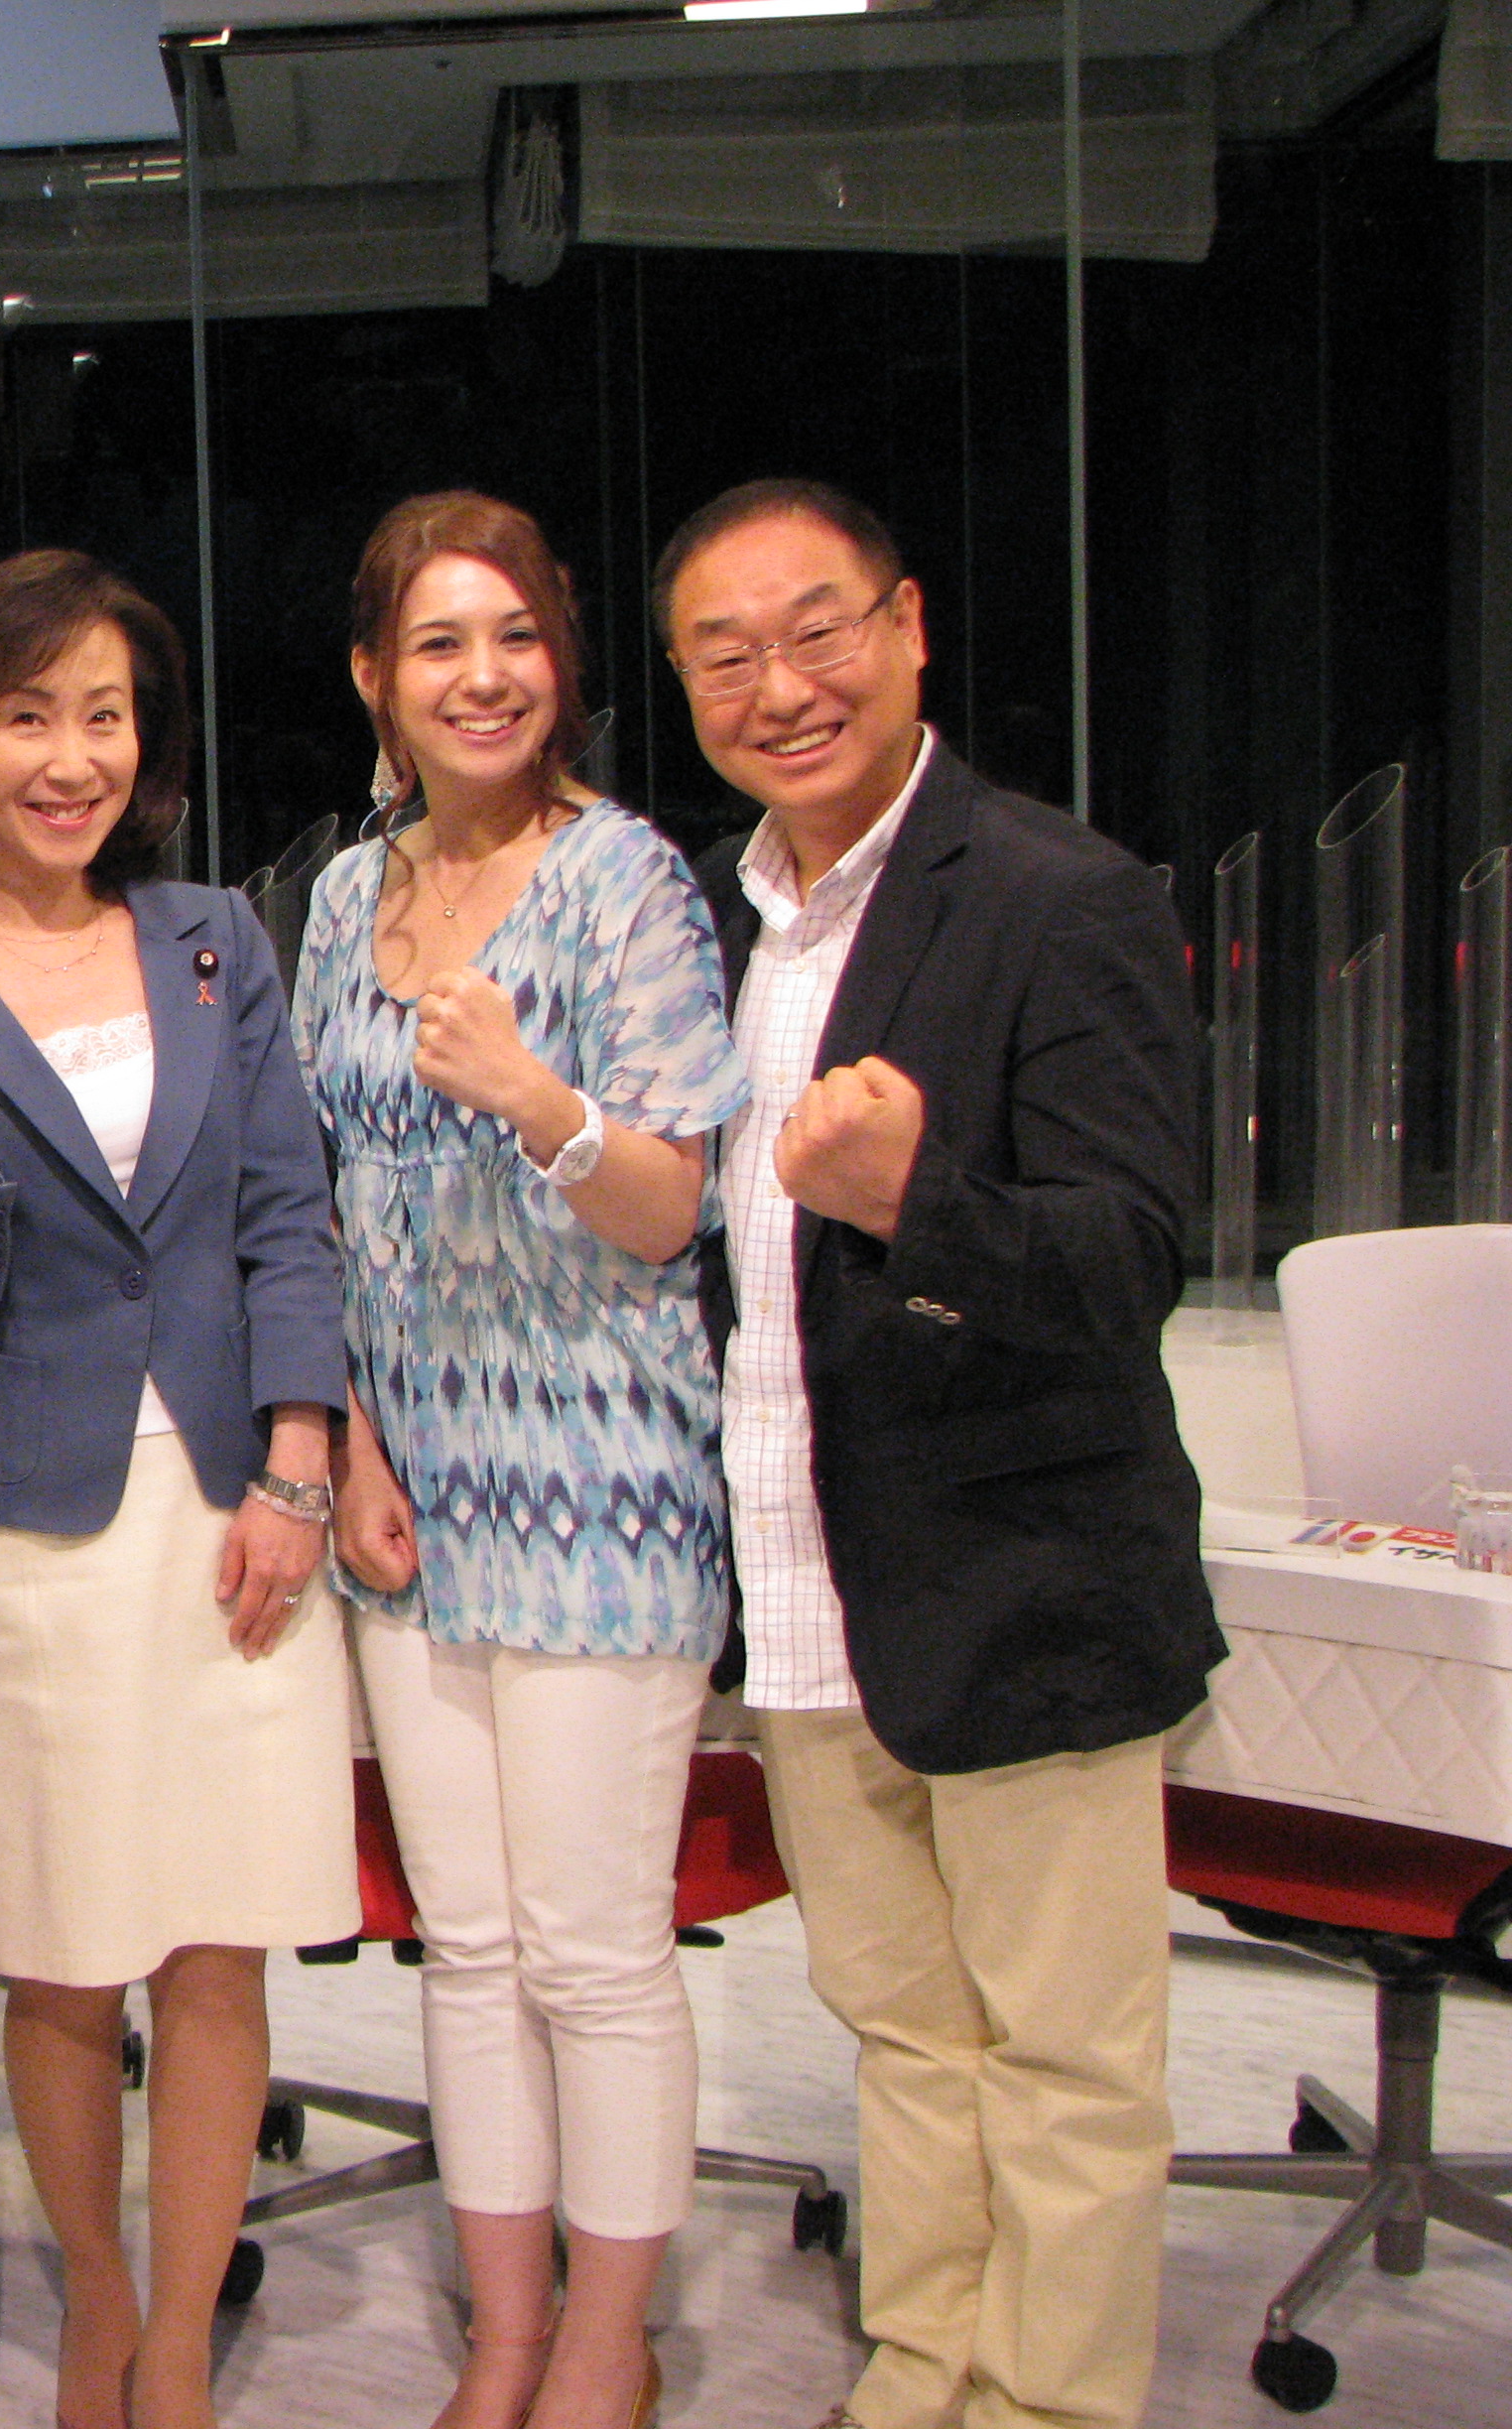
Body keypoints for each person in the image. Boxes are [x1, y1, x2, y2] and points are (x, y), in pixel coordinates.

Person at [656, 477, 1223, 2429]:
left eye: (817, 631)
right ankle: (921, 2376)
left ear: (907, 630)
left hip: (1024, 1588)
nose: (780, 687)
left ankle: (1048, 2408)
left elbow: (1132, 1259)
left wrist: (920, 1201)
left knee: (1065, 2066)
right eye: (726, 656)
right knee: (903, 2038)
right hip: (810, 1586)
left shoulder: (1062, 896)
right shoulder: (713, 921)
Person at [0, 549, 355, 2429]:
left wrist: (299, 1460)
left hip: (231, 1511)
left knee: (216, 1947)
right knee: (61, 1961)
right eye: (27, 715)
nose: (71, 757)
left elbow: (286, 1212)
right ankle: (103, 2306)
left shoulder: (216, 936)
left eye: (105, 715)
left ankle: (184, 2336)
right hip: (27, 1527)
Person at [290, 493, 750, 2429]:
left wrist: (538, 1101)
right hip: (409, 1492)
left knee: (591, 1955)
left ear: (560, 660)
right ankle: (502, 2333)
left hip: (599, 1482)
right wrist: (353, 1444)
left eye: (517, 636)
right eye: (439, 643)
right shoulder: (344, 898)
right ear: (375, 680)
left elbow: (670, 1210)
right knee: (465, 1950)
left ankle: (608, 2342)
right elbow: (319, 1198)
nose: (484, 677)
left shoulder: (628, 881)